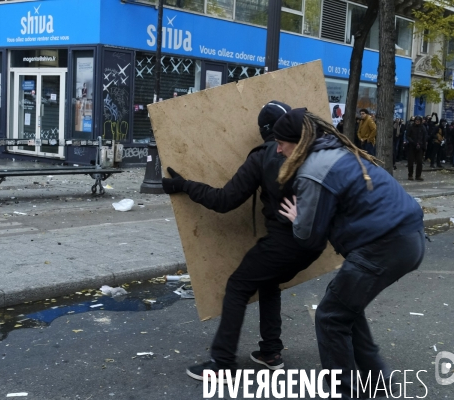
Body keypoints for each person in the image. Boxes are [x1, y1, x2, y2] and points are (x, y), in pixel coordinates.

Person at [161, 101, 323, 381]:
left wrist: (183, 185)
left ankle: (223, 363)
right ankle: (270, 352)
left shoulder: (263, 156)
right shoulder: (318, 150)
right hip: (314, 243)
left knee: (237, 286)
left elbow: (224, 201)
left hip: (285, 242)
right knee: (268, 280)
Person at [274, 108, 425, 399]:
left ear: (299, 141)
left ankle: (345, 393)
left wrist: (297, 219)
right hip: (407, 237)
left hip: (384, 245)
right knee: (346, 312)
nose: (278, 149)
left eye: (281, 142)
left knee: (330, 317)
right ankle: (382, 389)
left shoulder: (313, 170)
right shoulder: (337, 151)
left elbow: (309, 237)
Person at [406, 116, 428, 181]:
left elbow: (425, 137)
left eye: (418, 121)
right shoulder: (411, 127)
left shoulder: (423, 128)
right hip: (412, 146)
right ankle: (410, 174)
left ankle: (418, 175)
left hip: (420, 146)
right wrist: (412, 142)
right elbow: (407, 136)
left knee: (419, 161)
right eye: (416, 120)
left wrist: (424, 147)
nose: (417, 122)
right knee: (410, 161)